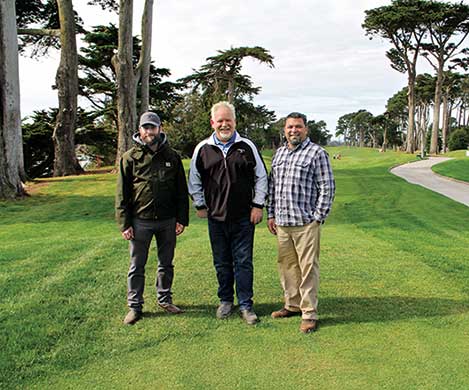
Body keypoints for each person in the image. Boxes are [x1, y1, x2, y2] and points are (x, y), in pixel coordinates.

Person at [188, 101, 268, 325]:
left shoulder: (247, 146)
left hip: (244, 217)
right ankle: (225, 301)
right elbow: (194, 180)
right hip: (216, 217)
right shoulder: (202, 149)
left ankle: (245, 305)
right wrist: (201, 205)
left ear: (235, 122)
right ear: (213, 123)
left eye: (228, 120)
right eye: (220, 120)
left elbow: (261, 177)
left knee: (243, 262)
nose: (224, 124)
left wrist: (257, 205)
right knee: (222, 262)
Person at [116, 111, 189, 325]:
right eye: (146, 128)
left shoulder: (172, 156)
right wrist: (125, 223)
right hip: (140, 221)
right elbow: (122, 193)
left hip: (167, 221)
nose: (149, 132)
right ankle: (135, 306)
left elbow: (180, 191)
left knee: (166, 263)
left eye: (153, 127)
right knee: (137, 266)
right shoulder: (129, 157)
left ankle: (165, 299)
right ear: (140, 130)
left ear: (160, 129)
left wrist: (181, 219)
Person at [267, 112, 335, 333]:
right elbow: (272, 187)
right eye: (289, 127)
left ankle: (309, 313)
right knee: (287, 267)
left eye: (298, 126)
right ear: (284, 130)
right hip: (283, 223)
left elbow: (327, 187)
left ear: (306, 129)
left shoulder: (317, 153)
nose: (293, 130)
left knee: (307, 269)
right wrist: (271, 214)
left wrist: (317, 217)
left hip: (306, 223)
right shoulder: (279, 154)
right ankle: (292, 305)